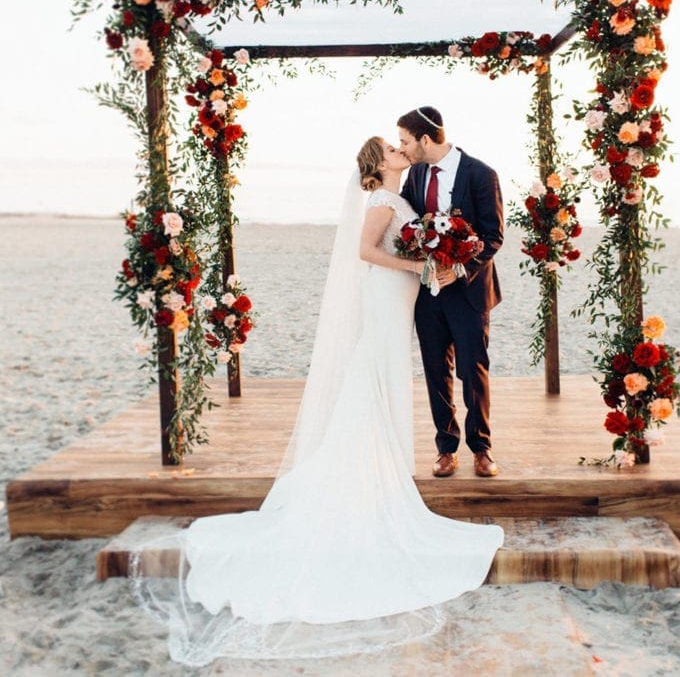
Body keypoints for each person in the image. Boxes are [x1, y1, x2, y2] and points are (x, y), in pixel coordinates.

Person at [133, 137, 503, 666]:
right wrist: (415, 267)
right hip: (387, 296)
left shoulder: (402, 198)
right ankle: (371, 474)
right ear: (379, 163)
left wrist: (428, 257)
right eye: (392, 148)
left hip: (399, 300)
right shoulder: (384, 202)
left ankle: (382, 466)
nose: (400, 150)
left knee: (384, 378)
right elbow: (365, 252)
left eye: (402, 143)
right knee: (375, 377)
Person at [397, 107, 504, 478]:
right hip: (427, 291)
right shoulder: (415, 174)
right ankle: (446, 448)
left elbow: (493, 236)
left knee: (473, 371)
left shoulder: (481, 174)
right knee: (435, 371)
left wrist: (457, 269)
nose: (402, 148)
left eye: (405, 141)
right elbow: (408, 225)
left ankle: (481, 448)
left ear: (425, 139)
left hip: (469, 291)